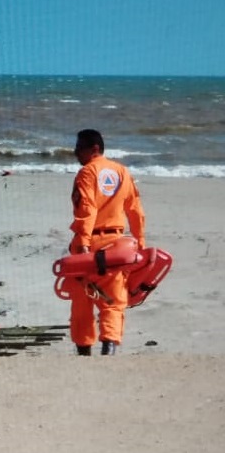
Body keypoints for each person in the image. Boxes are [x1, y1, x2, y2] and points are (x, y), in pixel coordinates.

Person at [67, 129, 146, 356]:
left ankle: (84, 352)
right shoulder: (122, 172)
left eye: (79, 148)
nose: (75, 153)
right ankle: (109, 350)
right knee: (112, 301)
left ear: (94, 149)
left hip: (90, 244)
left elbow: (87, 209)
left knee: (82, 301)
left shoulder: (87, 173)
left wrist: (82, 242)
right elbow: (136, 211)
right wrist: (140, 241)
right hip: (116, 246)